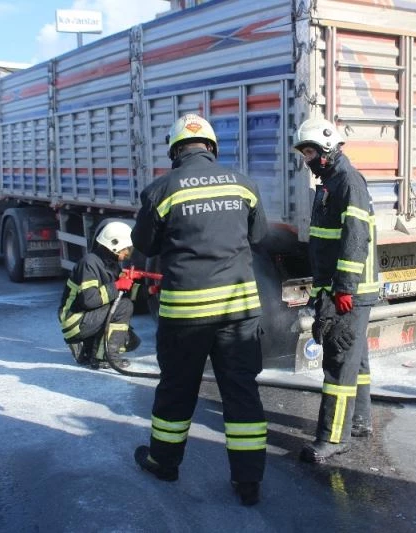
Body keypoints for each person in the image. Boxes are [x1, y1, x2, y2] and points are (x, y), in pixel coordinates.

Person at [131, 113, 268, 506]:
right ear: (211, 147)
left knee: (177, 391)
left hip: (185, 317)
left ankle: (164, 463)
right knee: (242, 393)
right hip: (238, 312)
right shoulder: (245, 185)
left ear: (176, 151)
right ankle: (248, 483)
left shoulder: (162, 190)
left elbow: (146, 245)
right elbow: (259, 237)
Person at [292, 117, 380, 463]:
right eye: (304, 153)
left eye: (311, 151)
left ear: (328, 149)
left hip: (351, 292)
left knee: (339, 361)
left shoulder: (347, 182)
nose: (307, 159)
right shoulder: (330, 182)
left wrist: (342, 289)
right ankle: (359, 421)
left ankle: (332, 437)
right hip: (339, 289)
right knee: (355, 357)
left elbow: (356, 239)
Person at [58, 221, 141, 370]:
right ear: (114, 245)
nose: (128, 253)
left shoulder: (110, 264)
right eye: (126, 249)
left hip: (86, 317)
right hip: (74, 319)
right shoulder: (89, 263)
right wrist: (117, 285)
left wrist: (148, 291)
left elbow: (122, 293)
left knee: (130, 341)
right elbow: (89, 300)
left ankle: (87, 349)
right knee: (124, 307)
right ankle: (105, 357)